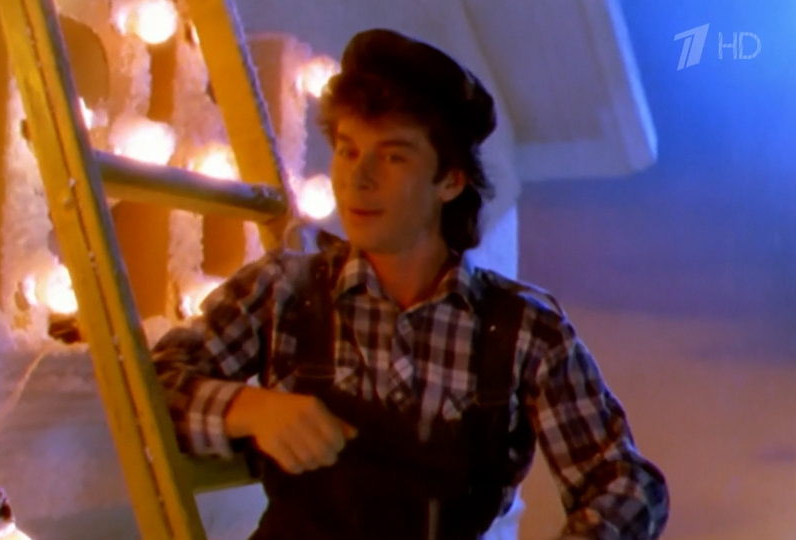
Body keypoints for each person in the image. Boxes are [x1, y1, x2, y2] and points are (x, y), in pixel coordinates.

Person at [152, 28, 669, 540]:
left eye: (393, 156)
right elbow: (155, 387)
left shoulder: (524, 331)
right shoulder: (285, 289)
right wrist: (249, 409)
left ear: (451, 181)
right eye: (348, 151)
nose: (359, 179)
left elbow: (627, 486)